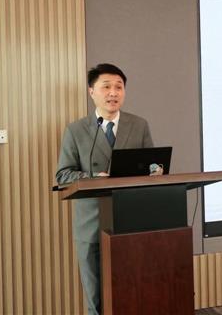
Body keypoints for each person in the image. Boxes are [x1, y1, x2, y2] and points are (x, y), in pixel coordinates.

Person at [56, 63, 153, 315]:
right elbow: (63, 175)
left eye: (119, 87)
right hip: (91, 223)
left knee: (132, 289)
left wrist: (155, 171)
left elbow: (152, 165)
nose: (113, 92)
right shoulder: (76, 130)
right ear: (92, 92)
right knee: (96, 296)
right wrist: (92, 177)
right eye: (106, 86)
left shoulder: (139, 125)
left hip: (130, 222)